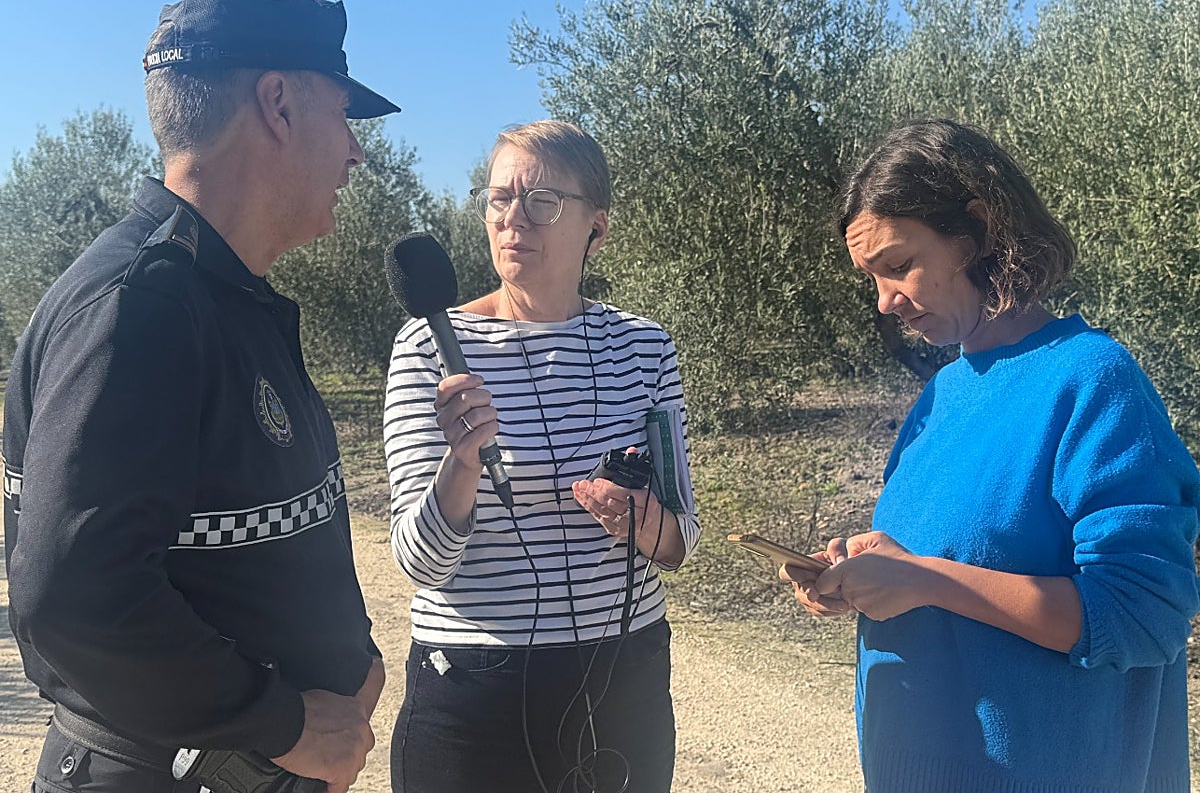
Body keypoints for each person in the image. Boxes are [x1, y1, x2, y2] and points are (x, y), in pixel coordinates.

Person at [2, 0, 400, 793]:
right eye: (343, 114)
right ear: (278, 105)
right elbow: (74, 594)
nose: (356, 152)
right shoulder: (140, 308)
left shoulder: (224, 298)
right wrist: (281, 724)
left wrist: (350, 657)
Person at [780, 118, 1200, 792]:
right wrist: (870, 575)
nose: (885, 302)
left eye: (899, 266)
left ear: (977, 231)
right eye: (872, 278)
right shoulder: (943, 393)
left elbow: (1142, 615)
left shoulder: (1092, 380)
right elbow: (951, 561)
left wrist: (925, 579)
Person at [383, 119, 702, 793]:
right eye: (499, 198)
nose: (513, 219)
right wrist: (461, 464)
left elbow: (679, 541)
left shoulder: (645, 348)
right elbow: (419, 562)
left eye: (542, 201)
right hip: (473, 691)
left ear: (597, 227)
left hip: (622, 683)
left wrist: (640, 519)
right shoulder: (428, 346)